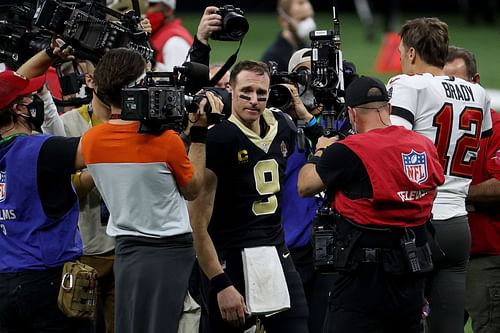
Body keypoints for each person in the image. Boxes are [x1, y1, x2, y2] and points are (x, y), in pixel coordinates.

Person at [297, 75, 445, 333]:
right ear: (388, 108)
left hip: (363, 276)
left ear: (352, 114)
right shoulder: (423, 145)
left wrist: (319, 151)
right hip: (413, 267)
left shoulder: (349, 149)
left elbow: (305, 186)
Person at [80, 48, 210, 333]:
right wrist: (198, 135)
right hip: (171, 253)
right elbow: (193, 189)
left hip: (126, 252)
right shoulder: (166, 141)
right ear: (135, 88)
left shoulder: (90, 141)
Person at [387, 17, 493, 333]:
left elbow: (392, 147)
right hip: (458, 223)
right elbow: (481, 145)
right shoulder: (477, 93)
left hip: (416, 221)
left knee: (396, 322)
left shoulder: (407, 84)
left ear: (411, 53)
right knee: (448, 327)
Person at [189, 60, 309, 333]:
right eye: (245, 92)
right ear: (230, 90)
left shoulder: (283, 125)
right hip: (231, 255)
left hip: (276, 250)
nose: (254, 100)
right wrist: (220, 283)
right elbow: (197, 225)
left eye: (261, 93)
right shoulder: (219, 139)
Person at [0, 44, 88, 331]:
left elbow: (11, 85)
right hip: (48, 283)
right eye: (32, 98)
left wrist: (52, 51)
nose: (38, 100)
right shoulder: (43, 149)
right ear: (19, 109)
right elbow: (101, 149)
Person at [443, 46, 500, 333]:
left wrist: (453, 193)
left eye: (459, 83)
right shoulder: (433, 123)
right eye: (445, 83)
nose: (451, 92)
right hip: (441, 254)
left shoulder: (497, 127)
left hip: (484, 257)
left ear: (476, 82)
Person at [59, 60, 115, 333]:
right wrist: (104, 160)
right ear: (89, 80)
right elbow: (62, 189)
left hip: (126, 247)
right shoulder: (66, 125)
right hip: (83, 249)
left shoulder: (136, 121)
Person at [261, 0, 316, 72]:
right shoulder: (273, 57)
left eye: (310, 17)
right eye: (302, 19)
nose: (309, 24)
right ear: (283, 21)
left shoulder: (310, 50)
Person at [145, 0, 193, 71]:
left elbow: (179, 79)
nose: (147, 11)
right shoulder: (158, 34)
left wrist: (152, 65)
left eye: (152, 5)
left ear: (168, 10)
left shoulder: (175, 41)